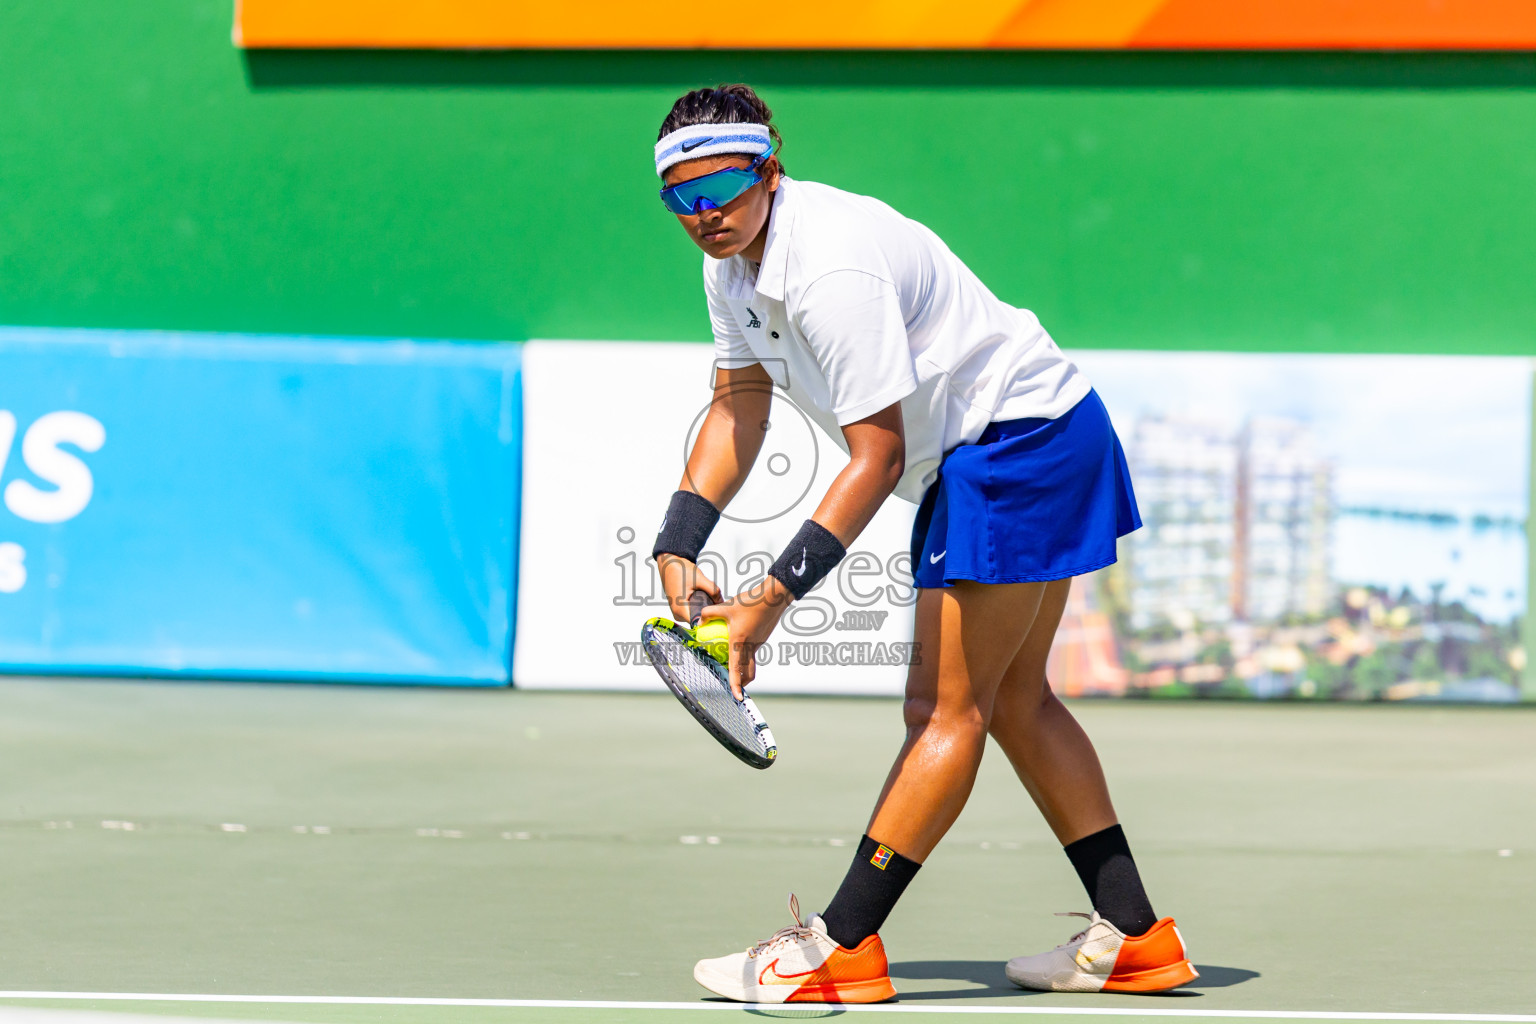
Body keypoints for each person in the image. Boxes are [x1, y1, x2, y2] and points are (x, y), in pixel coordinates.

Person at [648, 84, 1197, 1005]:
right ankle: (1137, 937)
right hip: (1031, 437)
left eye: (726, 186)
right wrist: (679, 539)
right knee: (1015, 701)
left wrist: (770, 601)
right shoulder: (731, 263)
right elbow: (740, 403)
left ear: (768, 168)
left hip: (1015, 443)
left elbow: (879, 452)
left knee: (943, 712)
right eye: (683, 198)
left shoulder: (830, 268)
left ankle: (841, 948)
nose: (706, 213)